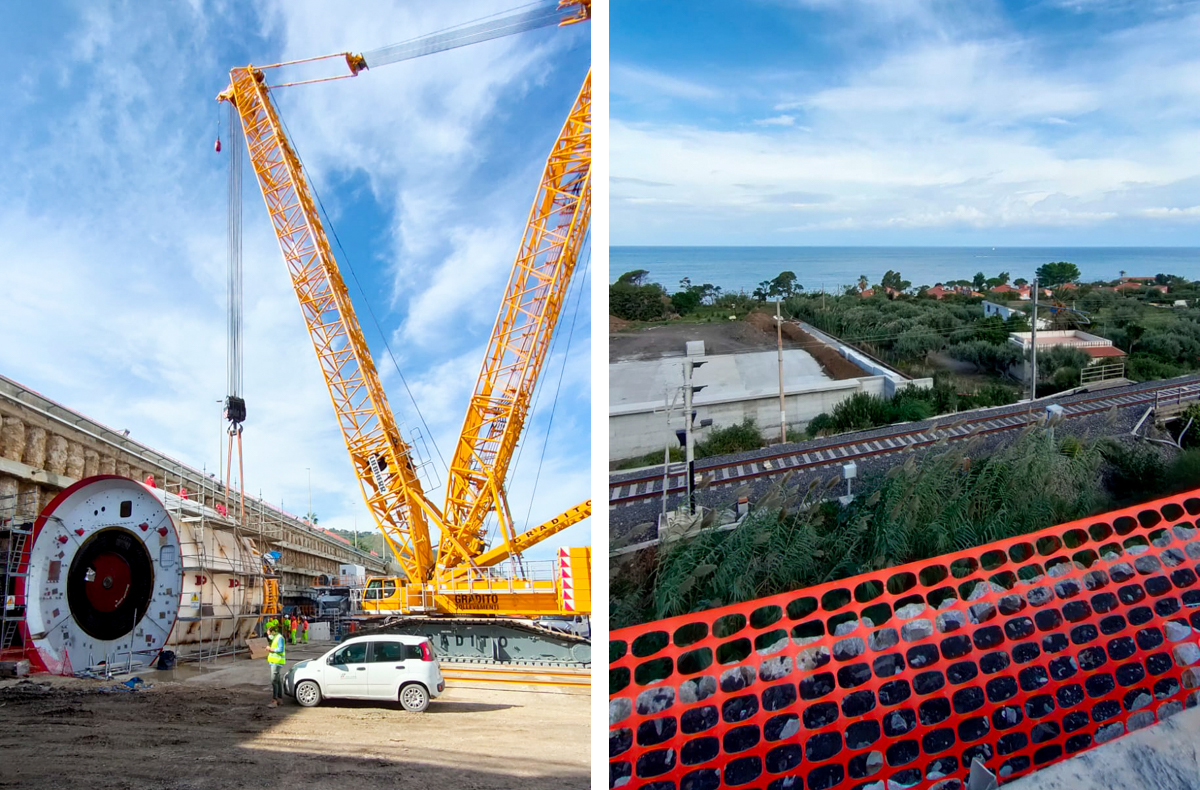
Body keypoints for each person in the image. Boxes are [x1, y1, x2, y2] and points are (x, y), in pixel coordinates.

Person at [266, 625, 286, 708]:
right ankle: (280, 699)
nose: (268, 636)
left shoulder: (279, 638)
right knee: (277, 681)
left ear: (273, 632)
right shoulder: (276, 637)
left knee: (274, 680)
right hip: (275, 662)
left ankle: (274, 700)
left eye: (269, 634)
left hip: (277, 662)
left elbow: (280, 649)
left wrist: (271, 649)